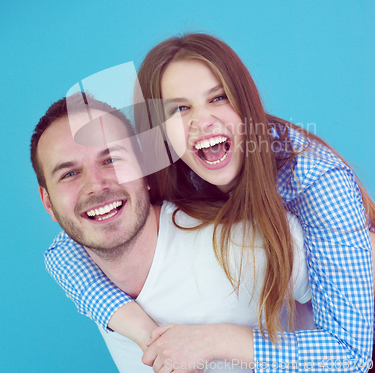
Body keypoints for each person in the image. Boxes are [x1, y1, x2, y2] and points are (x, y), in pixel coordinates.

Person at [40, 34, 374, 372]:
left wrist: (211, 341)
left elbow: (350, 354)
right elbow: (68, 249)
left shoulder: (316, 181)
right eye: (180, 108)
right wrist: (143, 332)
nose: (203, 122)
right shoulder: (164, 165)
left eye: (219, 98)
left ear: (245, 104)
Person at [32, 93, 312, 373]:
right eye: (68, 174)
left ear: (145, 171)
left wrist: (218, 341)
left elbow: (350, 350)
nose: (95, 185)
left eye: (111, 160)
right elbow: (60, 256)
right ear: (48, 203)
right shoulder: (82, 262)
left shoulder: (250, 240)